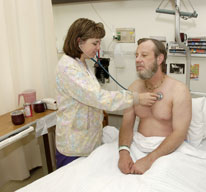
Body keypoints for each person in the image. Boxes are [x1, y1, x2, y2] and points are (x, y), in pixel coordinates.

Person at [55, 18, 158, 169]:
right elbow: (99, 98)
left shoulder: (82, 63)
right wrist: (136, 98)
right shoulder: (68, 68)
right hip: (74, 145)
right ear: (79, 42)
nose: (98, 48)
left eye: (99, 43)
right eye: (94, 43)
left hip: (89, 142)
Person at [118, 38, 192, 174]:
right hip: (138, 146)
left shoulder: (179, 90)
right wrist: (123, 152)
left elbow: (179, 133)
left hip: (167, 150)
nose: (137, 60)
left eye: (144, 55)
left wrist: (149, 159)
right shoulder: (134, 88)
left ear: (159, 59)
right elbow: (126, 125)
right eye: (136, 55)